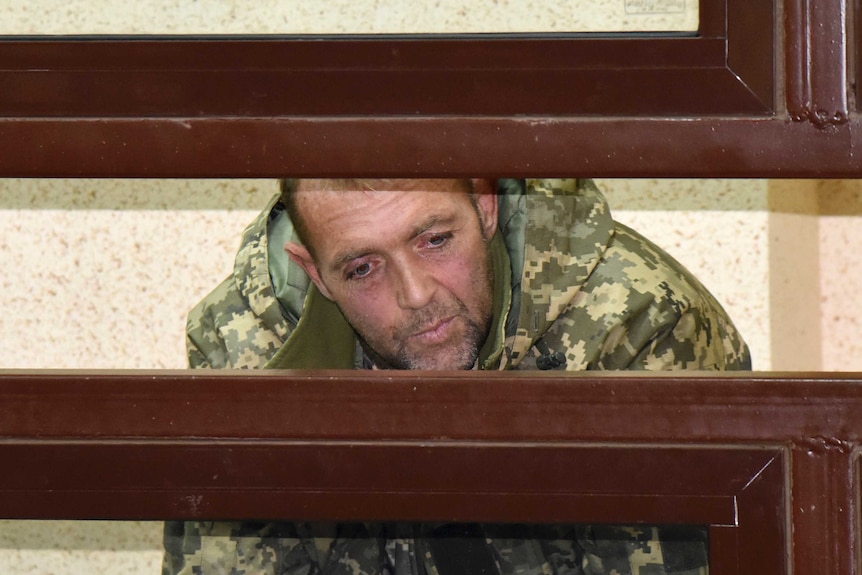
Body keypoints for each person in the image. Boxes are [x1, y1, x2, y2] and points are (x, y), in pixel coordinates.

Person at [164, 178, 751, 575]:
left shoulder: (634, 321)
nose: (417, 295)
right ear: (314, 272)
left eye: (435, 240)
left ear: (486, 205)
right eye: (362, 268)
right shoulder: (243, 346)